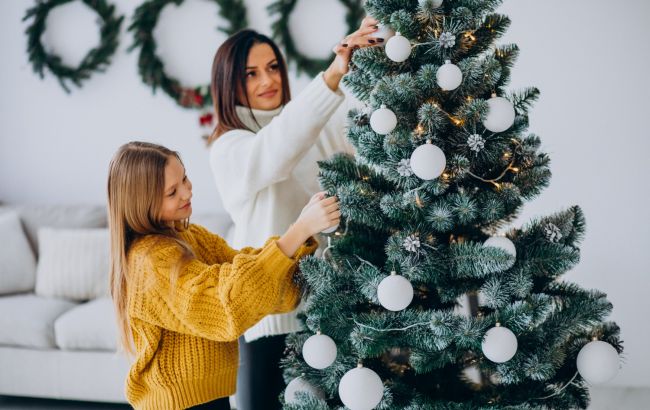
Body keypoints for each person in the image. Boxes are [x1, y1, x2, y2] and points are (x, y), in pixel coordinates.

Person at [207, 16, 380, 410]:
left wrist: (369, 55)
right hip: (269, 320)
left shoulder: (311, 119)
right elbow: (278, 150)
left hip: (330, 308)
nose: (267, 81)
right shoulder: (230, 147)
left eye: (272, 68)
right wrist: (333, 72)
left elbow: (360, 121)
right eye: (250, 74)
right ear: (228, 83)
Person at [107, 141, 339, 409]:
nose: (186, 191)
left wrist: (302, 234)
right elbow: (223, 306)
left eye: (184, 178)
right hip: (177, 404)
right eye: (172, 192)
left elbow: (248, 275)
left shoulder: (191, 236)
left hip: (210, 397)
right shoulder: (149, 260)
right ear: (142, 204)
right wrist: (297, 231)